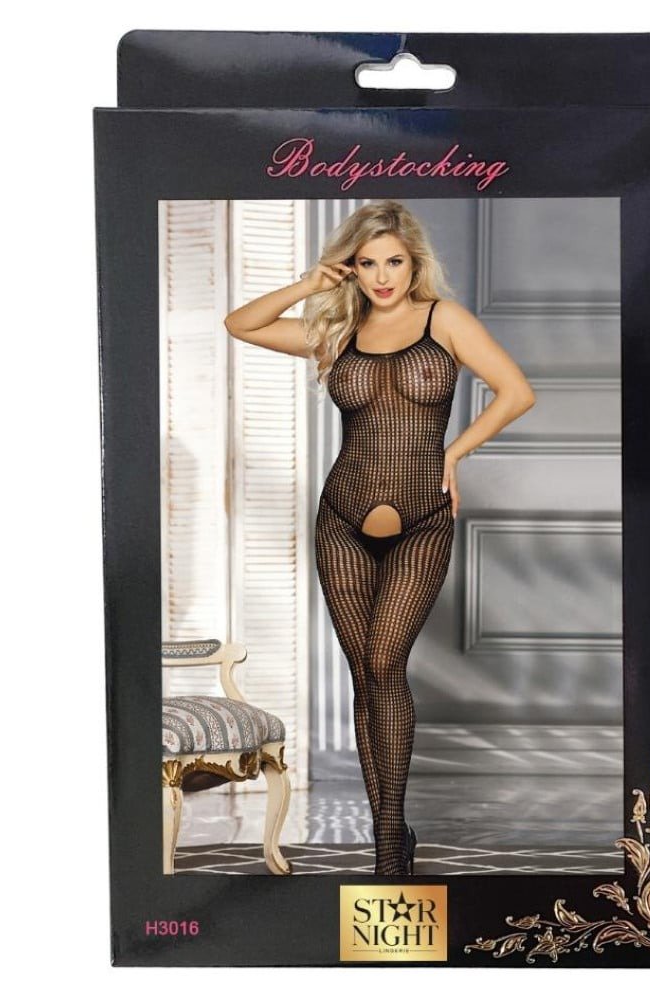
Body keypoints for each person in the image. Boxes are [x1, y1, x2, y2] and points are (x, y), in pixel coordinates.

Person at [225, 200, 536, 875]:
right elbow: (240, 323)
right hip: (341, 522)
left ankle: (391, 834)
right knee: (365, 673)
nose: (383, 276)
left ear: (414, 261)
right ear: (353, 268)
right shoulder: (338, 329)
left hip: (422, 522)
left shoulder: (442, 320)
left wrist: (455, 454)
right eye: (367, 263)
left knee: (386, 663)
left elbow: (516, 392)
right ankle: (388, 835)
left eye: (393, 261)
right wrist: (312, 284)